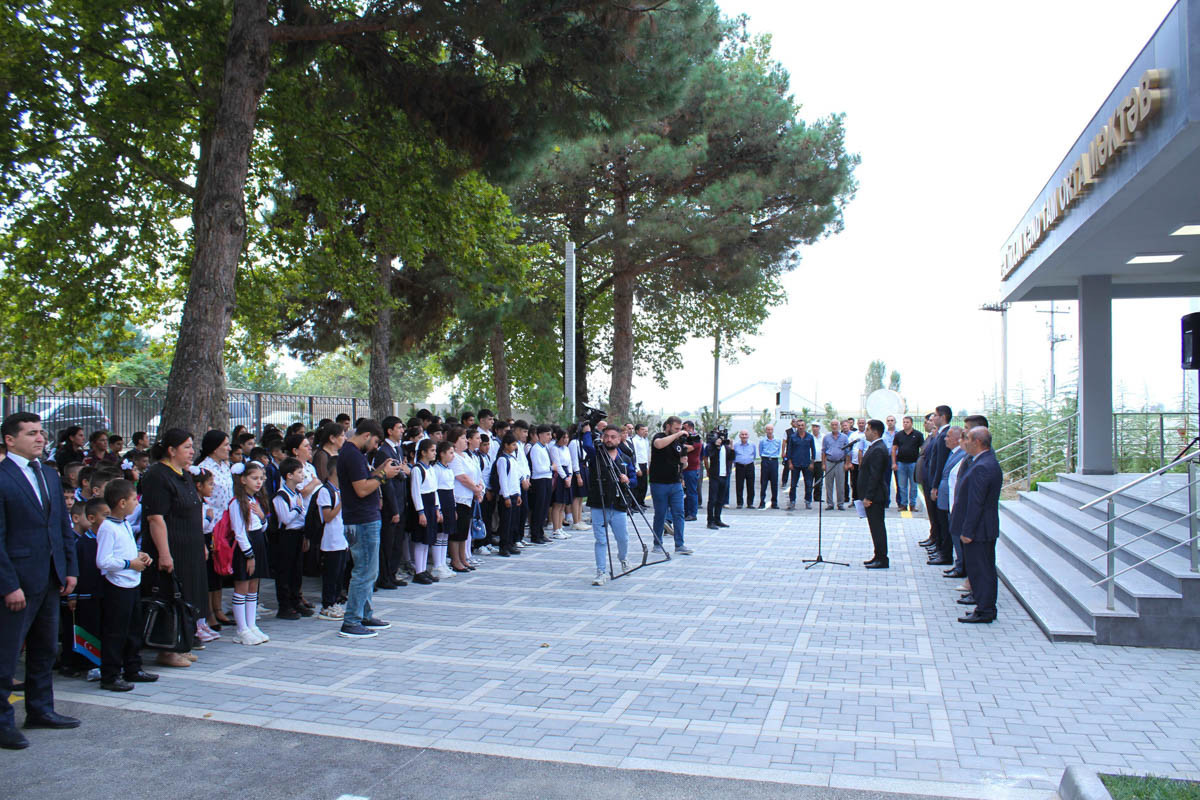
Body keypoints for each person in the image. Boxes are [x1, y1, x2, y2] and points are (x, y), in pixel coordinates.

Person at [0, 412, 80, 750]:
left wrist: (70, 569)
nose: (40, 438)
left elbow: (62, 527)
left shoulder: (48, 474)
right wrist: (7, 585)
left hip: (51, 577)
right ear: (9, 439)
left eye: (41, 432)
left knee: (44, 648)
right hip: (18, 582)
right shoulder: (3, 477)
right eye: (31, 433)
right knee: (6, 655)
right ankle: (3, 723)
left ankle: (41, 709)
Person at [140, 428, 205, 669]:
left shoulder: (184, 475)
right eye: (187, 447)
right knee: (170, 597)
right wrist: (164, 554)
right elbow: (156, 518)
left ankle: (182, 644)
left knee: (188, 595)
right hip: (171, 548)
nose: (192, 452)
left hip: (191, 548)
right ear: (171, 449)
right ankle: (165, 649)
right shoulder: (158, 476)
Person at [336, 419, 401, 639]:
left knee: (368, 570)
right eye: (374, 442)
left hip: (365, 518)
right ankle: (351, 620)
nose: (375, 447)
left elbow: (365, 480)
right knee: (364, 571)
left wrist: (379, 471)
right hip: (361, 520)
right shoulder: (352, 455)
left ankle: (364, 614)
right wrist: (384, 476)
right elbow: (362, 489)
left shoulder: (355, 454)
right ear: (366, 436)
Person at [94, 479, 157, 691]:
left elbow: (125, 550)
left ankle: (133, 667)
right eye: (133, 499)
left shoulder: (126, 524)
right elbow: (103, 561)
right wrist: (130, 563)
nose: (136, 503)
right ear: (121, 503)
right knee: (115, 632)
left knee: (133, 630)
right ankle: (110, 675)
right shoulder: (107, 528)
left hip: (132, 584)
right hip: (117, 585)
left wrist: (140, 556)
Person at [956, 427, 1001, 623]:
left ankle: (985, 610)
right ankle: (984, 607)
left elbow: (977, 502)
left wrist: (967, 531)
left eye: (968, 439)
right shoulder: (985, 461)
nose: (965, 442)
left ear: (977, 442)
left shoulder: (983, 466)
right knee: (983, 569)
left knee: (981, 570)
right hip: (982, 527)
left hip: (980, 529)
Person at [582, 425, 633, 586]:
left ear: (619, 439)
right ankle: (601, 571)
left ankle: (623, 559)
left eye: (613, 436)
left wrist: (627, 479)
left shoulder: (625, 458)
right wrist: (587, 431)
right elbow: (587, 446)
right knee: (601, 540)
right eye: (606, 436)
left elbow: (634, 478)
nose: (609, 439)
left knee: (622, 538)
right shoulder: (596, 455)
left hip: (618, 504)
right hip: (599, 504)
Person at [227, 461, 271, 645]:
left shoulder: (255, 501)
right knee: (242, 587)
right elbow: (239, 532)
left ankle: (252, 625)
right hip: (245, 547)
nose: (258, 482)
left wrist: (262, 516)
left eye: (261, 478)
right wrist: (249, 555)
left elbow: (261, 528)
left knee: (254, 586)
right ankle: (242, 629)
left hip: (257, 542)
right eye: (254, 478)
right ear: (243, 479)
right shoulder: (237, 502)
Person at [271, 458, 310, 620]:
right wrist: (298, 508)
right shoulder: (281, 495)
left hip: (298, 534)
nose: (303, 475)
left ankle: (296, 601)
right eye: (299, 472)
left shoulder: (297, 493)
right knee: (285, 571)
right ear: (289, 475)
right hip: (285, 536)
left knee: (296, 570)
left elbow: (302, 516)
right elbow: (286, 518)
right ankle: (284, 606)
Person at [375, 417, 411, 589]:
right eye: (398, 428)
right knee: (388, 542)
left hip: (401, 499)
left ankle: (393, 573)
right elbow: (387, 482)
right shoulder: (384, 451)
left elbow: (403, 472)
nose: (402, 431)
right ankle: (385, 576)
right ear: (389, 431)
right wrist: (395, 509)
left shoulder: (398, 449)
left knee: (397, 541)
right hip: (392, 504)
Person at [649, 417, 691, 556]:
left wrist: (684, 462)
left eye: (680, 429)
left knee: (679, 513)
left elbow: (683, 464)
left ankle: (680, 544)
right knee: (660, 513)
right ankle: (657, 543)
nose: (679, 432)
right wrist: (677, 435)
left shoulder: (679, 442)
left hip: (675, 483)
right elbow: (658, 445)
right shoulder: (660, 436)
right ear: (668, 426)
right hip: (659, 483)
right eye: (676, 428)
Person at [314, 455, 347, 620]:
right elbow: (327, 517)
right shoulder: (325, 491)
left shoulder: (339, 490)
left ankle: (336, 602)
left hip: (342, 539)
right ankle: (327, 605)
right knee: (331, 574)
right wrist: (342, 503)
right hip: (331, 540)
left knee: (340, 573)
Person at [924, 406, 954, 566]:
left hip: (938, 483)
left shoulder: (945, 435)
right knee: (938, 518)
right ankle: (939, 547)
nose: (933, 418)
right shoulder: (940, 433)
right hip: (933, 481)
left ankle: (944, 553)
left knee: (942, 520)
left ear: (942, 416)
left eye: (935, 415)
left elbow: (940, 463)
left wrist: (934, 485)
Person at [934, 427, 967, 575]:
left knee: (955, 534)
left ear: (956, 439)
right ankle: (959, 564)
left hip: (953, 501)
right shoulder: (953, 453)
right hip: (947, 499)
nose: (945, 439)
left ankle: (961, 566)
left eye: (948, 437)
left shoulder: (962, 455)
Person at [407, 439, 441, 582]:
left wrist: (437, 508)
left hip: (431, 504)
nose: (434, 453)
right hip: (422, 505)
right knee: (421, 540)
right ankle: (418, 571)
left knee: (428, 539)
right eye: (432, 450)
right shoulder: (417, 469)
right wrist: (420, 512)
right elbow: (415, 492)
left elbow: (434, 490)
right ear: (423, 452)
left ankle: (423, 569)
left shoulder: (431, 469)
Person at [859, 420, 891, 569]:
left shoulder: (878, 449)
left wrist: (868, 497)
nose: (865, 432)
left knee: (877, 528)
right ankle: (877, 555)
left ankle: (882, 558)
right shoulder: (875, 446)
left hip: (875, 496)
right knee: (875, 527)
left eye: (867, 429)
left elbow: (875, 475)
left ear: (875, 432)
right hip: (873, 495)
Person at [891, 416, 924, 512]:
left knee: (914, 486)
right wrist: (894, 463)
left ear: (911, 423)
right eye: (904, 422)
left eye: (907, 422)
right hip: (901, 463)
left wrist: (920, 463)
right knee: (902, 485)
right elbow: (894, 449)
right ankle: (903, 504)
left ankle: (913, 505)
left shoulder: (918, 435)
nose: (905, 424)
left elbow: (922, 449)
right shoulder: (899, 435)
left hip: (913, 464)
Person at [783, 419, 815, 510]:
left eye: (802, 425)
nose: (801, 427)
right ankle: (792, 501)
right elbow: (789, 451)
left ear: (805, 426)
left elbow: (813, 450)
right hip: (795, 464)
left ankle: (808, 501)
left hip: (806, 464)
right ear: (796, 426)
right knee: (793, 484)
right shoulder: (793, 437)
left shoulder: (809, 437)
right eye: (799, 425)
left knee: (808, 484)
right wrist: (789, 463)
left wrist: (812, 462)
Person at [705, 430, 733, 530]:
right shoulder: (712, 446)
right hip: (715, 476)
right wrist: (717, 446)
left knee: (720, 499)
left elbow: (732, 457)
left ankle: (718, 518)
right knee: (712, 499)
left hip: (724, 475)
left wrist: (731, 447)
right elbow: (711, 456)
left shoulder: (726, 447)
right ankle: (710, 521)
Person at [821, 424, 850, 510]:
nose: (834, 426)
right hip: (829, 462)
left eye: (836, 425)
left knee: (840, 484)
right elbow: (823, 451)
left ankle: (840, 503)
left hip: (840, 463)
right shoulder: (826, 437)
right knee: (829, 484)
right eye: (832, 425)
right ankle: (830, 503)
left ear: (839, 426)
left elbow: (848, 452)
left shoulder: (844, 437)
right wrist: (823, 464)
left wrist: (847, 464)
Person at [680, 421, 703, 521]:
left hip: (692, 469)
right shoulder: (683, 438)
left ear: (690, 428)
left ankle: (692, 513)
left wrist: (679, 445)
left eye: (684, 428)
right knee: (683, 492)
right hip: (682, 468)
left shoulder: (696, 438)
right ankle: (686, 511)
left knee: (692, 491)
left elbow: (690, 448)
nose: (682, 430)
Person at [757, 424, 781, 509]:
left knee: (774, 483)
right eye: (768, 429)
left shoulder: (778, 440)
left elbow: (779, 450)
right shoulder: (762, 441)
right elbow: (760, 452)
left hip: (774, 461)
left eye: (771, 429)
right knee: (764, 483)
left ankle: (774, 502)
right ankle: (762, 502)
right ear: (766, 430)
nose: (769, 431)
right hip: (765, 460)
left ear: (773, 430)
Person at [732, 430, 755, 509]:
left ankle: (750, 503)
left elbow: (754, 455)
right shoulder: (736, 445)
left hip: (750, 466)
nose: (744, 436)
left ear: (748, 436)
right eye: (742, 434)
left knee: (751, 485)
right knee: (739, 485)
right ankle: (739, 503)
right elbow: (733, 456)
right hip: (739, 466)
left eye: (746, 434)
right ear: (739, 436)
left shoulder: (752, 444)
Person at [631, 424, 651, 509]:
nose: (644, 431)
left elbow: (645, 454)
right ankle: (635, 504)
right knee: (638, 485)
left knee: (644, 485)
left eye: (645, 429)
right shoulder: (634, 440)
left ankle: (641, 502)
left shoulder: (644, 440)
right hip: (638, 464)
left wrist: (647, 466)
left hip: (644, 464)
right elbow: (635, 455)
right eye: (642, 429)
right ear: (637, 431)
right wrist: (637, 468)